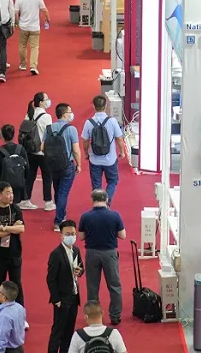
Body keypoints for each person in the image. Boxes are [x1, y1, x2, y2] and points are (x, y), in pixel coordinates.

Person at [78, 189, 126, 326]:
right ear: (107, 200)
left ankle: (94, 316)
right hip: (109, 253)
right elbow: (122, 235)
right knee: (114, 286)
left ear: (92, 200)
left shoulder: (85, 216)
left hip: (92, 253)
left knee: (92, 286)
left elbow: (81, 237)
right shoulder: (115, 215)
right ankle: (115, 316)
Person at [0, 181, 26, 321]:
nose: (11, 196)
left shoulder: (16, 209)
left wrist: (3, 228)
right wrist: (12, 228)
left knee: (17, 284)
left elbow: (21, 229)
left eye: (12, 192)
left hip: (15, 253)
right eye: (8, 193)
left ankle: (20, 314)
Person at [47, 219, 84, 353]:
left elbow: (81, 267)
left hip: (74, 297)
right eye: (67, 234)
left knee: (69, 330)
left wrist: (80, 271)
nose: (71, 236)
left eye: (73, 234)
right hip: (61, 299)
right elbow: (51, 279)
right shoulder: (56, 254)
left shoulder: (76, 250)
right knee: (58, 331)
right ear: (61, 235)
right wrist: (56, 300)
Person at [43, 103, 82, 231]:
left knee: (58, 190)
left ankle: (61, 215)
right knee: (63, 193)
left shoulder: (49, 128)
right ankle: (59, 221)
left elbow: (42, 147)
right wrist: (79, 164)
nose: (71, 114)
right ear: (65, 114)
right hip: (67, 165)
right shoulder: (71, 129)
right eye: (70, 112)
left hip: (53, 165)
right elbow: (76, 150)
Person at [82, 94, 127, 203]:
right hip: (110, 159)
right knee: (112, 181)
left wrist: (86, 153)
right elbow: (119, 138)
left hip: (94, 159)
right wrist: (122, 152)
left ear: (93, 106)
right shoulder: (112, 121)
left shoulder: (89, 122)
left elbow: (85, 141)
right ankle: (107, 202)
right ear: (106, 105)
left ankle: (97, 203)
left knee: (96, 184)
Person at [19, 92, 54, 210]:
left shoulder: (29, 114)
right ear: (41, 102)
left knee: (29, 176)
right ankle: (48, 202)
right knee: (47, 177)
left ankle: (25, 200)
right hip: (43, 151)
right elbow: (49, 134)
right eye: (47, 99)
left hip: (30, 150)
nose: (48, 101)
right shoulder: (47, 117)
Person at [14, 0, 49, 75]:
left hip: (23, 26)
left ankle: (23, 64)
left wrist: (17, 23)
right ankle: (33, 66)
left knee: (22, 46)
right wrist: (47, 18)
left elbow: (15, 13)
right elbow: (44, 10)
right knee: (34, 47)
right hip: (34, 27)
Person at [0, 124, 29, 203]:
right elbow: (27, 168)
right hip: (18, 186)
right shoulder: (21, 149)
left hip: (2, 187)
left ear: (2, 136)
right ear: (13, 135)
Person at [0, 281, 26, 353]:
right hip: (19, 348)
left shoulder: (4, 316)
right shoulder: (20, 308)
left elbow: (2, 340)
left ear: (4, 298)